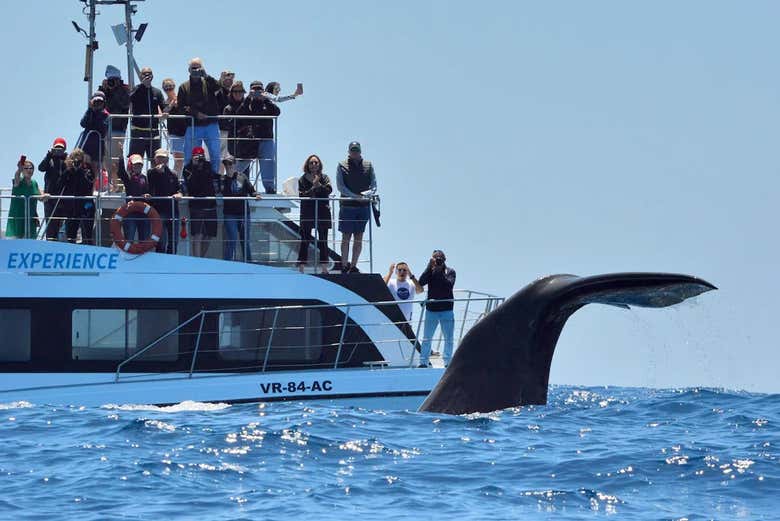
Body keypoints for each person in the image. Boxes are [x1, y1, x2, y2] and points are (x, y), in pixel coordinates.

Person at [335, 141, 376, 273]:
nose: (354, 152)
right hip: (347, 206)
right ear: (349, 151)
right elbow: (340, 186)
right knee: (346, 236)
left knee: (359, 237)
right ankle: (344, 265)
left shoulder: (368, 165)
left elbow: (374, 185)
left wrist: (366, 194)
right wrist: (354, 196)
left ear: (360, 151)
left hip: (363, 207)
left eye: (356, 150)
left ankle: (353, 266)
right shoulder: (341, 165)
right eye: (352, 150)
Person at [177, 58, 222, 173]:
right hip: (193, 125)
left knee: (215, 154)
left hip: (211, 125)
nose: (196, 70)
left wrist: (206, 75)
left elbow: (219, 88)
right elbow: (181, 107)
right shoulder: (183, 87)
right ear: (188, 70)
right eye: (193, 68)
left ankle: (214, 179)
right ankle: (189, 179)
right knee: (189, 155)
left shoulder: (208, 82)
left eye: (198, 68)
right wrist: (196, 113)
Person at [236, 81, 280, 193]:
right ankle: (232, 184)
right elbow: (239, 114)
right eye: (254, 89)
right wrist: (247, 98)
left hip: (266, 139)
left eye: (259, 89)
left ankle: (270, 189)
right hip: (250, 140)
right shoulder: (247, 103)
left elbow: (277, 112)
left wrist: (264, 98)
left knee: (268, 163)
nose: (256, 92)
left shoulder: (267, 102)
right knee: (240, 166)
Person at [418, 250, 457, 367]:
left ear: (444, 259)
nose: (438, 259)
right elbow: (421, 282)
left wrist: (439, 270)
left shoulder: (450, 271)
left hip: (447, 310)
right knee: (426, 338)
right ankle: (423, 362)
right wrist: (429, 267)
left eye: (440, 257)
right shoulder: (430, 271)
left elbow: (448, 286)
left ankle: (447, 362)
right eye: (436, 257)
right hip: (432, 311)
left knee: (449, 338)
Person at [220, 154, 260, 261]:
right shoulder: (222, 179)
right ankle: (227, 265)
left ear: (234, 164)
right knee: (232, 239)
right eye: (225, 163)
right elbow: (213, 190)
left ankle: (248, 264)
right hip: (229, 214)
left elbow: (251, 190)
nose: (228, 166)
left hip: (244, 214)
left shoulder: (242, 177)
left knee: (245, 240)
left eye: (230, 163)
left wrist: (256, 195)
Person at [297, 154, 332, 273]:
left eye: (316, 162)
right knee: (305, 240)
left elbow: (328, 190)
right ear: (307, 165)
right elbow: (302, 195)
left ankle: (324, 268)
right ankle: (301, 267)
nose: (314, 164)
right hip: (307, 212)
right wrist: (314, 187)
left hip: (322, 212)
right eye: (311, 162)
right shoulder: (302, 179)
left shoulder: (325, 177)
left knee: (323, 240)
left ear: (319, 164)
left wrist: (319, 185)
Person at [182, 146, 218, 257]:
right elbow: (192, 185)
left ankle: (202, 259)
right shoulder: (187, 168)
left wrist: (202, 167)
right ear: (192, 157)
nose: (199, 159)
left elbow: (209, 179)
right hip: (196, 205)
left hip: (210, 204)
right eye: (196, 157)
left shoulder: (207, 166)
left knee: (209, 234)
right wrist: (196, 167)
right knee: (198, 234)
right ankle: (197, 260)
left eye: (201, 156)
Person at [148, 148, 182, 254]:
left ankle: (171, 266)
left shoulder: (174, 174)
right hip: (159, 212)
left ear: (167, 159)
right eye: (159, 158)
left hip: (173, 211)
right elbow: (150, 186)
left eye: (163, 158)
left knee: (173, 242)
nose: (161, 160)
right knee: (161, 242)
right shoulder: (151, 173)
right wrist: (158, 172)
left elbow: (180, 190)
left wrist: (179, 194)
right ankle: (159, 266)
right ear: (155, 159)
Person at [100, 65, 130, 185]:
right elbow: (98, 104)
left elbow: (125, 105)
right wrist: (104, 89)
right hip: (105, 129)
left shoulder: (124, 90)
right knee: (106, 160)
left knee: (115, 160)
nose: (112, 82)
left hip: (118, 129)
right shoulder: (104, 90)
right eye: (110, 80)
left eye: (114, 80)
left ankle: (117, 184)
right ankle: (114, 183)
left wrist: (116, 90)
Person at [128, 67, 165, 161]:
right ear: (140, 76)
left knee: (155, 160)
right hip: (138, 131)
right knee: (135, 159)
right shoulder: (136, 89)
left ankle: (154, 176)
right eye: (145, 74)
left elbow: (164, 108)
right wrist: (143, 85)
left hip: (153, 132)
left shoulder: (157, 92)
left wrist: (169, 109)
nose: (147, 76)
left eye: (149, 74)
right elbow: (129, 99)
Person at [61, 149, 95, 244]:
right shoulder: (68, 170)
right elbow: (60, 184)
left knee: (87, 236)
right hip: (72, 208)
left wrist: (79, 170)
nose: (77, 162)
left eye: (79, 160)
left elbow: (89, 184)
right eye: (74, 160)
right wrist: (68, 170)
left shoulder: (87, 169)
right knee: (71, 237)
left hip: (86, 206)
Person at [38, 137, 68, 240]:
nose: (59, 150)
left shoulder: (67, 161)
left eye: (61, 148)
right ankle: (50, 245)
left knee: (63, 228)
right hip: (50, 199)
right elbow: (40, 168)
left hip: (63, 199)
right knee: (51, 229)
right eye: (57, 148)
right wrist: (48, 155)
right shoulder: (49, 159)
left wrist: (67, 158)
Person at [116, 154, 151, 242]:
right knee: (129, 239)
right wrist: (121, 157)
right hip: (130, 212)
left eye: (140, 164)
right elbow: (121, 172)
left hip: (143, 212)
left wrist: (147, 195)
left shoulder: (145, 178)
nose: (138, 166)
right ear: (131, 165)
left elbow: (148, 191)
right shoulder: (128, 177)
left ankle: (143, 255)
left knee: (144, 240)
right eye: (135, 164)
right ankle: (127, 255)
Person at [6, 158, 43, 238]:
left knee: (30, 243)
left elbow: (41, 197)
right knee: (17, 242)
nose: (29, 170)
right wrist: (19, 169)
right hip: (18, 216)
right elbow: (16, 176)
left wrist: (46, 195)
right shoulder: (18, 181)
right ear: (22, 170)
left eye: (31, 168)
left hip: (30, 217)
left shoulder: (34, 182)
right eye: (26, 168)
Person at [77, 91, 109, 175]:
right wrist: (90, 110)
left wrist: (98, 113)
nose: (98, 104)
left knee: (94, 173)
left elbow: (102, 128)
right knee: (83, 170)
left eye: (100, 102)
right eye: (96, 102)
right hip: (85, 147)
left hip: (97, 149)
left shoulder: (106, 115)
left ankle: (92, 187)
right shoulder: (90, 112)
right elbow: (83, 123)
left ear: (104, 103)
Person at [161, 78, 186, 175]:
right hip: (175, 133)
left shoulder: (182, 98)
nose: (169, 89)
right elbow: (162, 115)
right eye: (166, 87)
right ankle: (176, 182)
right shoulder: (164, 102)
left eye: (171, 86)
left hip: (186, 131)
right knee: (178, 160)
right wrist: (171, 105)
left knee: (188, 159)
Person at [215, 70, 235, 173]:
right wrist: (220, 80)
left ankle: (227, 179)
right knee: (219, 156)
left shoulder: (234, 93)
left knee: (229, 157)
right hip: (220, 128)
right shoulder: (218, 92)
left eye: (231, 76)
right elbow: (213, 95)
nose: (229, 78)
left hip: (231, 130)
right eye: (226, 76)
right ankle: (220, 178)